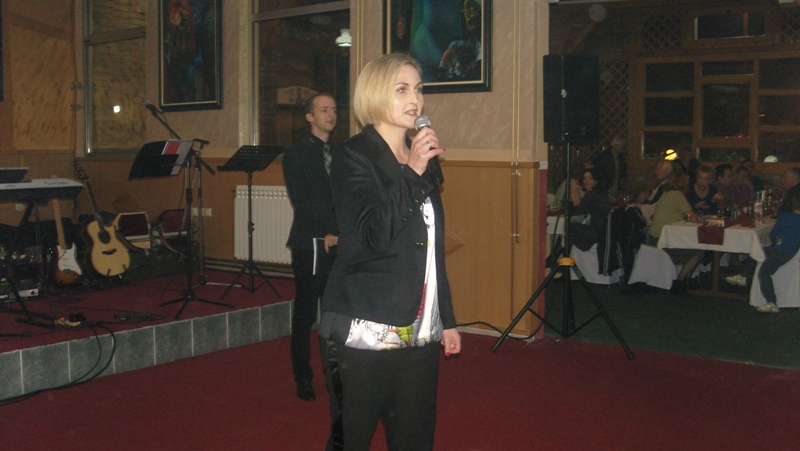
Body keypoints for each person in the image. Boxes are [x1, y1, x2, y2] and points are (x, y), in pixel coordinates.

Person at [318, 53, 461, 450]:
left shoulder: (420, 155)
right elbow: (371, 238)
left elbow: (431, 248)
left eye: (418, 89)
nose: (414, 99)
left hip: (420, 331)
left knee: (415, 439)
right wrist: (412, 172)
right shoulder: (352, 156)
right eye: (401, 89)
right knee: (351, 439)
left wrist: (446, 319)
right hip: (362, 329)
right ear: (375, 94)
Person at [282, 93, 339, 403]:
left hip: (339, 242)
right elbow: (303, 201)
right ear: (309, 117)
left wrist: (341, 230)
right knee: (306, 313)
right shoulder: (297, 154)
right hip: (310, 243)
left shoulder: (341, 153)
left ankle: (336, 375)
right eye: (323, 110)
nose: (331, 114)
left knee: (336, 313)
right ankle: (302, 376)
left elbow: (347, 196)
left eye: (333, 109)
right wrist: (330, 228)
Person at [724, 189, 800, 312]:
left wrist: (776, 241)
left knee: (763, 270)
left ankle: (771, 301)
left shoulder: (785, 216)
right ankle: (743, 276)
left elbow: (773, 234)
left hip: (781, 251)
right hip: (790, 252)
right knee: (760, 252)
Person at [646, 171, 703, 295]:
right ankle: (680, 281)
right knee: (698, 251)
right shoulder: (678, 195)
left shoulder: (666, 194)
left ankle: (686, 281)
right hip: (663, 240)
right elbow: (691, 216)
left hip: (654, 237)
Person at [569, 168, 610, 252]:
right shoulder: (599, 193)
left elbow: (577, 212)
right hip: (603, 229)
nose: (586, 181)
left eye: (590, 178)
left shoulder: (592, 195)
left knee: (568, 227)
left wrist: (574, 195)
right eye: (584, 178)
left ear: (595, 181)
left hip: (595, 232)